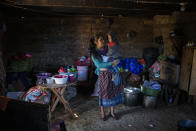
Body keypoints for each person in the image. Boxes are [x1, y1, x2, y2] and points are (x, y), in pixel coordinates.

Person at [89, 32, 124, 121]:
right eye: (101, 40)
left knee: (113, 92)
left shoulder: (109, 49)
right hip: (103, 75)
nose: (103, 41)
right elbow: (99, 65)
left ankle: (112, 112)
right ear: (95, 42)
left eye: (104, 39)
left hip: (112, 74)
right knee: (103, 94)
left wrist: (117, 61)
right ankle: (103, 113)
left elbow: (117, 57)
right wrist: (111, 63)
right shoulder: (94, 53)